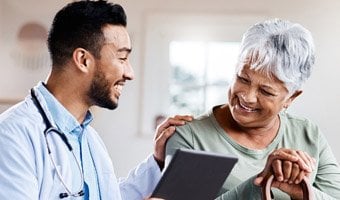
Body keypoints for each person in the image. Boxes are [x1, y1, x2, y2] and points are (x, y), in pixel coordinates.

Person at [0, 1, 192, 199]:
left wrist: (157, 162)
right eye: (122, 58)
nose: (130, 73)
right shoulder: (11, 137)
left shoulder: (88, 138)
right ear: (83, 60)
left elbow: (109, 196)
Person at [165, 18, 340, 199]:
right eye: (243, 78)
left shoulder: (308, 133)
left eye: (265, 91)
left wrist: (301, 192)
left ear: (291, 97)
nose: (247, 97)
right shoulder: (190, 137)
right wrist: (261, 183)